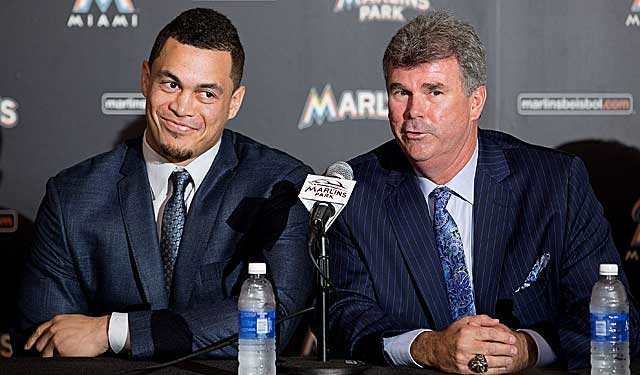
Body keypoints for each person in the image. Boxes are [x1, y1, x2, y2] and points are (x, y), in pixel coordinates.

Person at [327, 10, 639, 373]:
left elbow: (614, 317)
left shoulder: (554, 183)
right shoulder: (354, 192)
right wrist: (429, 346)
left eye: (434, 92)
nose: (414, 111)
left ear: (476, 101)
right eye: (401, 92)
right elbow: (344, 320)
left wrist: (525, 349)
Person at [11, 8, 313, 359]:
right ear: (145, 79)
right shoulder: (73, 197)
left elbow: (269, 324)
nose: (182, 107)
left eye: (206, 94)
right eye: (171, 84)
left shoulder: (279, 186)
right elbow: (48, 341)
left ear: (234, 102)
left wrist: (112, 330)